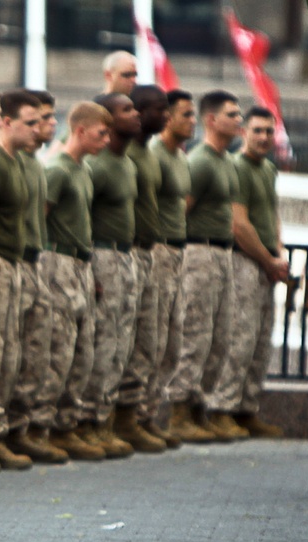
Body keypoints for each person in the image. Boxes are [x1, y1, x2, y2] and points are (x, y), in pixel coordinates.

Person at [166, 90, 246, 442]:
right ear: (211, 120)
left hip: (223, 254)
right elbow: (181, 209)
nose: (238, 120)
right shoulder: (199, 161)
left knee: (220, 335)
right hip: (199, 252)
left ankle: (200, 408)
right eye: (232, 114)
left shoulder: (226, 161)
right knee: (195, 333)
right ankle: (179, 411)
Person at [35, 102, 111, 459]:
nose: (106, 140)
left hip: (80, 265)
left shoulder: (83, 170)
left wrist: (91, 272)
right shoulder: (58, 170)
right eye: (100, 132)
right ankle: (40, 427)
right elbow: (39, 221)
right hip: (58, 262)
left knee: (82, 352)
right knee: (57, 350)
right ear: (80, 131)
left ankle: (66, 424)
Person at [207, 107, 289, 437]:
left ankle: (247, 408)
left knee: (261, 339)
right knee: (239, 336)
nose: (264, 138)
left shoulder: (268, 169)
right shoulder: (236, 168)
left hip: (267, 262)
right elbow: (238, 224)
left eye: (269, 132)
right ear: (244, 133)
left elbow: (272, 215)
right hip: (244, 260)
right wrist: (268, 261)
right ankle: (222, 408)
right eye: (257, 131)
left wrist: (278, 254)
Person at [0, 88, 41, 471]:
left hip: (14, 264)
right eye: (28, 123)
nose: (36, 130)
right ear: (7, 123)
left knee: (9, 354)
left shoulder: (16, 160)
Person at [81, 93, 140, 458]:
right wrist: (89, 267)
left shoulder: (125, 163)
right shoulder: (97, 166)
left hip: (124, 256)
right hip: (101, 255)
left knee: (120, 343)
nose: (133, 116)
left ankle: (106, 418)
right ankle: (88, 422)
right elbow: (76, 217)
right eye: (125, 110)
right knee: (101, 342)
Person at [114, 85, 170, 453]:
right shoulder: (126, 155)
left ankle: (135, 416)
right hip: (125, 252)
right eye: (156, 109)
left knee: (149, 341)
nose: (162, 116)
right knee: (123, 340)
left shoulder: (147, 154)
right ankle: (117, 419)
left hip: (149, 254)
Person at [9, 88, 59, 463]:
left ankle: (23, 426)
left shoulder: (34, 164)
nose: (46, 126)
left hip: (30, 263)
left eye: (48, 118)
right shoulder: (0, 161)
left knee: (32, 352)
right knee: (0, 353)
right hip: (6, 263)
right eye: (38, 119)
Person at [143, 89, 194, 443]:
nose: (190, 121)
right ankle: (137, 415)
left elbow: (184, 204)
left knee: (171, 341)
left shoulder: (179, 157)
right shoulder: (155, 154)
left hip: (178, 251)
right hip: (158, 250)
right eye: (184, 114)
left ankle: (148, 414)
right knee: (152, 337)